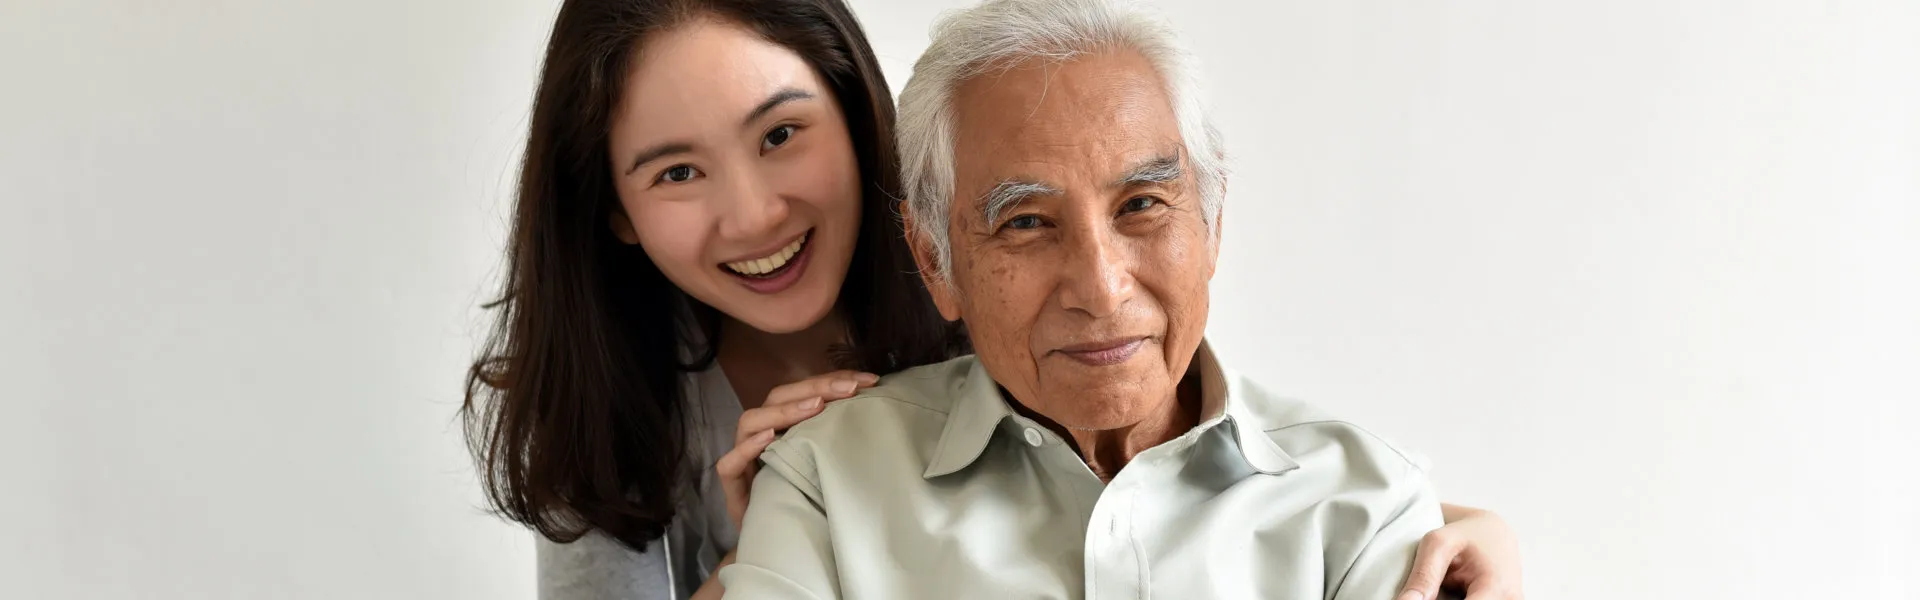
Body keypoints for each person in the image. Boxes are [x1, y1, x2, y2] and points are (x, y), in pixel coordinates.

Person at [461, 0, 1521, 599]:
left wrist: (1448, 524)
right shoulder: (646, 438)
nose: (752, 214)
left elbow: (1324, 501)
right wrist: (758, 554)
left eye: (782, 133)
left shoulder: (1339, 486)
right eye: (675, 172)